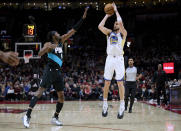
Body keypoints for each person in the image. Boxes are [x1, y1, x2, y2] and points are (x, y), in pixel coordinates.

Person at [22, 7, 88, 128]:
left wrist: (82, 19)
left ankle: (55, 117)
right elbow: (40, 53)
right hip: (49, 70)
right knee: (40, 92)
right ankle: (27, 115)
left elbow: (73, 31)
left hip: (58, 72)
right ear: (53, 36)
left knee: (61, 96)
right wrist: (47, 49)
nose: (59, 34)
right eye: (56, 33)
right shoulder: (49, 44)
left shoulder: (62, 41)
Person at [98, 3, 127, 119]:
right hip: (109, 58)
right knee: (107, 83)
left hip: (119, 59)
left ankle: (122, 105)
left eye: (118, 23)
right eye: (115, 23)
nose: (117, 24)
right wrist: (107, 15)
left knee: (120, 83)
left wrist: (115, 10)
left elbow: (120, 22)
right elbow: (100, 26)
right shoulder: (109, 33)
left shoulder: (124, 34)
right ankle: (105, 104)